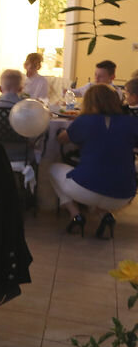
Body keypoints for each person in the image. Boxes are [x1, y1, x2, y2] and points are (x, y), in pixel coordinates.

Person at [51, 84, 138, 239]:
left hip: (85, 189)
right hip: (123, 194)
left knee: (53, 169)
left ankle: (75, 214)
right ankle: (105, 215)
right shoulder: (132, 123)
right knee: (104, 179)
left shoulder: (85, 120)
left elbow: (61, 139)